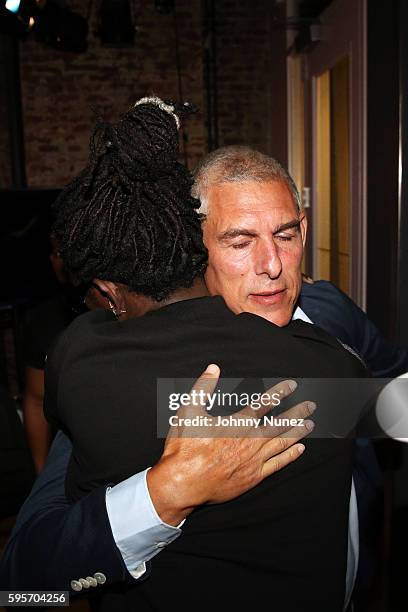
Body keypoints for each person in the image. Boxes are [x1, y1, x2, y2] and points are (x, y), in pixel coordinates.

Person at [0, 99, 366, 612]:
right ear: (195, 245)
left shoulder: (335, 316)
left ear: (303, 231)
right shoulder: (105, 374)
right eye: (240, 241)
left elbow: (384, 387)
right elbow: (28, 581)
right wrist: (163, 493)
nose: (272, 265)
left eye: (285, 235)